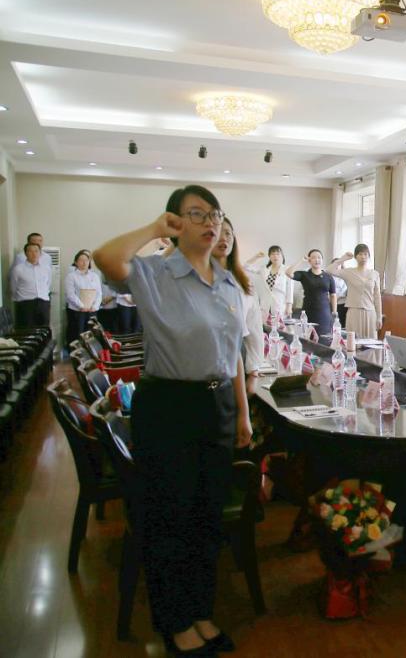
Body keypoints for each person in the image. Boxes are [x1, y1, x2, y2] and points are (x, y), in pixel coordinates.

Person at [93, 184, 252, 656]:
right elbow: (105, 257)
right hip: (169, 408)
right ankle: (175, 622)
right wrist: (154, 229)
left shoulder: (227, 282)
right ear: (176, 223)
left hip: (217, 407)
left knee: (206, 518)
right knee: (170, 518)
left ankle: (200, 611)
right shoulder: (155, 273)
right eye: (196, 214)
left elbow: (233, 354)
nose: (210, 223)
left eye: (215, 214)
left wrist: (242, 413)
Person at [213, 217, 264, 392]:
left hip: (237, 354)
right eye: (218, 233)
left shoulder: (242, 279)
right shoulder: (196, 278)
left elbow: (253, 325)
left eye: (228, 233)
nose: (224, 238)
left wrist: (254, 372)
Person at [326, 244, 382, 339]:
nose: (363, 257)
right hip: (354, 311)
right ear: (356, 256)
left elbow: (377, 297)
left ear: (369, 256)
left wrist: (379, 316)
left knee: (371, 342)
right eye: (360, 254)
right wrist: (343, 258)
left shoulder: (375, 274)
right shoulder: (349, 272)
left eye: (365, 254)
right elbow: (329, 270)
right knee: (353, 341)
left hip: (370, 313)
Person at [285, 249, 335, 338]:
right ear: (309, 260)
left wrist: (334, 313)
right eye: (313, 257)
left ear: (322, 260)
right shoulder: (304, 275)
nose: (317, 260)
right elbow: (288, 273)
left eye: (319, 257)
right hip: (308, 312)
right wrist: (301, 260)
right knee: (308, 338)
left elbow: (333, 295)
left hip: (324, 313)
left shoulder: (328, 277)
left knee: (325, 339)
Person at [64, 250, 102, 346]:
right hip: (78, 311)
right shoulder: (71, 276)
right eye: (81, 260)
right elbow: (70, 294)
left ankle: (91, 353)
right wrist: (81, 306)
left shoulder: (95, 276)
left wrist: (95, 306)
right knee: (78, 334)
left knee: (92, 335)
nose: (84, 262)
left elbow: (99, 293)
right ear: (76, 262)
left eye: (86, 260)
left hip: (92, 310)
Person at [10, 242, 52, 328]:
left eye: (36, 251)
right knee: (26, 330)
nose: (34, 254)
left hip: (43, 302)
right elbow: (13, 287)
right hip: (26, 303)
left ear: (40, 253)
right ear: (26, 253)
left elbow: (48, 284)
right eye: (30, 251)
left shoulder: (46, 268)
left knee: (44, 329)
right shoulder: (18, 269)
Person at [245, 245, 293, 320]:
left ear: (282, 256)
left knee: (279, 325)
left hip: (279, 304)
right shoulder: (264, 269)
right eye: (272, 254)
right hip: (265, 304)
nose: (275, 256)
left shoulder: (287, 269)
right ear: (269, 256)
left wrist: (289, 306)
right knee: (265, 325)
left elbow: (290, 289)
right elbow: (246, 266)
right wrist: (256, 257)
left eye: (278, 254)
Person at [329, 257, 348, 329]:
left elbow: (345, 290)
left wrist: (337, 297)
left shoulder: (344, 277)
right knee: (332, 324)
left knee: (341, 325)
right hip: (331, 303)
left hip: (342, 303)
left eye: (339, 264)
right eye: (335, 264)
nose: (337, 266)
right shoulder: (329, 276)